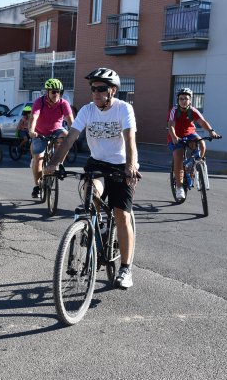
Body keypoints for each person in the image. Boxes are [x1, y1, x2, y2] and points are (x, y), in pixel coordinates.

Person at [45, 68, 140, 289]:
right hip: (97, 163)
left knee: (121, 214)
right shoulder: (87, 110)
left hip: (121, 164)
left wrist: (130, 167)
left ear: (113, 90)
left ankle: (126, 268)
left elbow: (130, 140)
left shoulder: (124, 109)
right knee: (90, 196)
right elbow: (70, 139)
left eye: (101, 89)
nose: (95, 93)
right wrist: (54, 163)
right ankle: (98, 228)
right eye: (93, 89)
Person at [167, 88, 220, 200]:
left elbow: (202, 122)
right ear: (178, 100)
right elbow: (171, 125)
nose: (183, 101)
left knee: (201, 143)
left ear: (190, 100)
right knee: (179, 156)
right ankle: (180, 187)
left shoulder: (193, 111)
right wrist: (174, 137)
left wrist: (211, 131)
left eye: (186, 98)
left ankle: (197, 164)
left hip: (190, 134)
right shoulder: (174, 110)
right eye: (181, 98)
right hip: (176, 136)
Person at [28, 78, 74, 199]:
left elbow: (71, 121)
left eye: (58, 92)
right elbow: (34, 118)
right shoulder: (40, 102)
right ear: (47, 92)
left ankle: (59, 163)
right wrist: (32, 131)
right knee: (38, 158)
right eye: (53, 92)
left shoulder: (63, 103)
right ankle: (37, 186)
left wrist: (73, 133)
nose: (56, 94)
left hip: (56, 131)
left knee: (66, 137)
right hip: (40, 133)